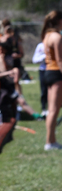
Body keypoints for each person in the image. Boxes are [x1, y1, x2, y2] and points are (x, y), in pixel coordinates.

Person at [41, 10, 62, 151]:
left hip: (48, 72)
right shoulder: (57, 37)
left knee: (52, 109)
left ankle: (51, 140)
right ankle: (49, 141)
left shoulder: (47, 35)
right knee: (54, 110)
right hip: (56, 73)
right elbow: (60, 60)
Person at [33, 38, 48, 116]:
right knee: (44, 90)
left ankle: (51, 108)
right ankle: (44, 108)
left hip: (53, 70)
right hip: (43, 70)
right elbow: (34, 59)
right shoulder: (40, 46)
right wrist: (44, 57)